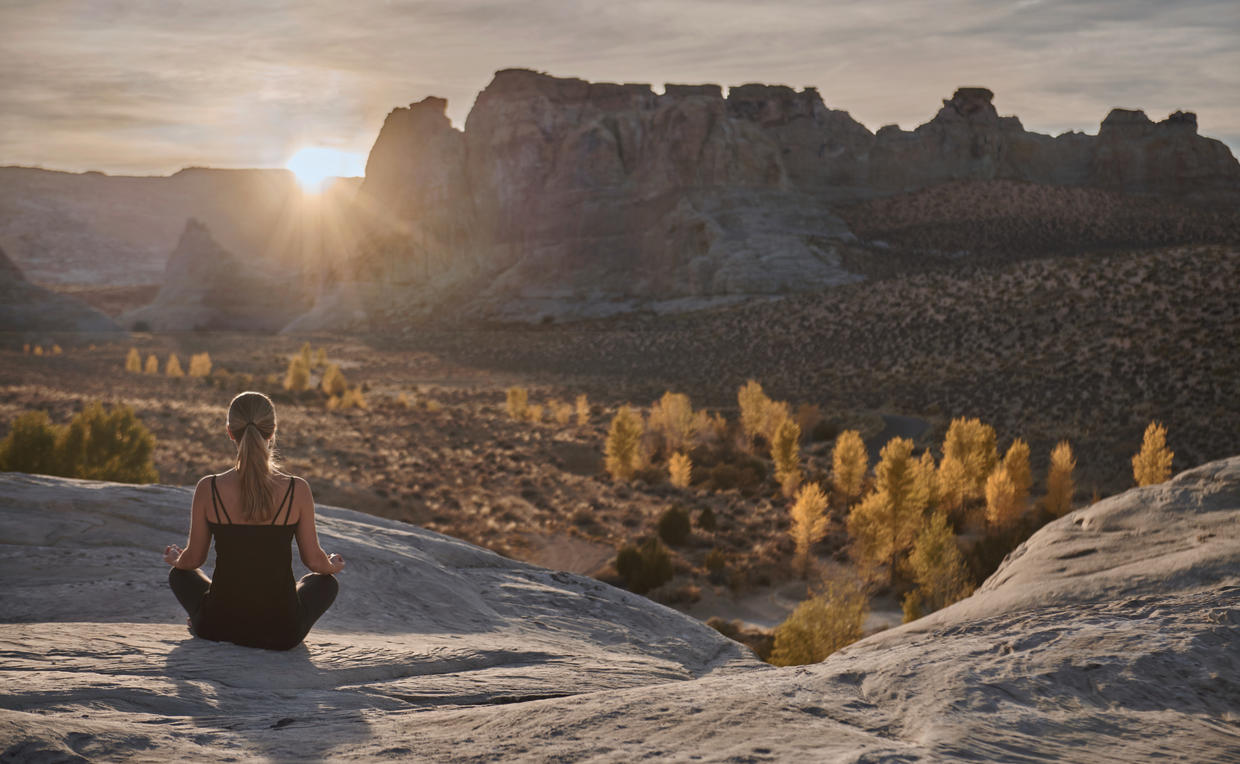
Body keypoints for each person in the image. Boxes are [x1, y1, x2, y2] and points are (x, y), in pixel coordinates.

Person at [164, 391, 344, 650]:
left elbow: (193, 560)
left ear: (230, 432)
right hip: (282, 633)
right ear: (272, 432)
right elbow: (315, 562)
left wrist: (176, 560)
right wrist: (332, 565)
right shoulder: (297, 489)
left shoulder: (209, 488)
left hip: (217, 626)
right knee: (325, 584)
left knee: (179, 576)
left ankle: (200, 617)